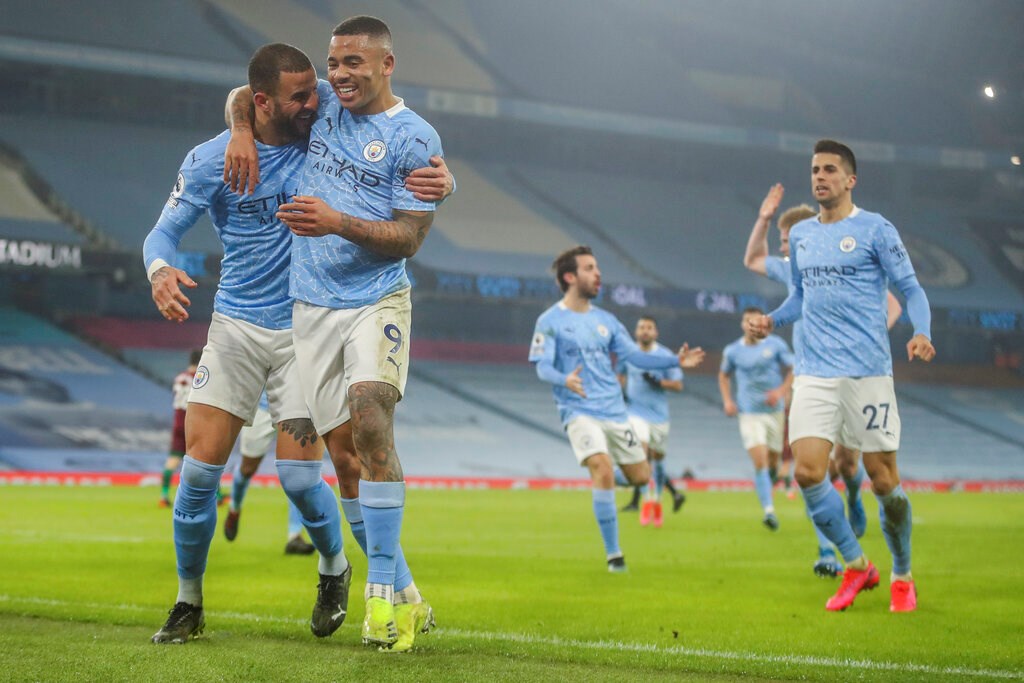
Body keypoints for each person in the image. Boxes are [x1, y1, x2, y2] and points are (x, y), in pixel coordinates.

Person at [146, 42, 449, 646]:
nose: (316, 102)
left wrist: (443, 177)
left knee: (304, 479)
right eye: (301, 96)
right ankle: (188, 601)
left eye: (316, 89)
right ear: (264, 103)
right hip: (235, 325)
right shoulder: (210, 160)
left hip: (303, 326)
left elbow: (392, 144)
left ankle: (336, 569)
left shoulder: (320, 138)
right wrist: (159, 270)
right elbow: (163, 232)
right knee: (199, 475)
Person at [751, 139, 935, 613]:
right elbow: (799, 297)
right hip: (814, 373)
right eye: (815, 169)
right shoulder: (803, 235)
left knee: (884, 482)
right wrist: (772, 320)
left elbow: (911, 288)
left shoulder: (875, 229)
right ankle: (856, 565)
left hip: (867, 374)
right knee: (808, 472)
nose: (820, 177)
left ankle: (901, 573)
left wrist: (922, 331)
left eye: (830, 170)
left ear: (850, 179)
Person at [743, 184, 904, 575]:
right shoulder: (791, 266)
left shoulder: (843, 261)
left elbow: (894, 304)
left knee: (847, 466)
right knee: (812, 470)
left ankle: (854, 497)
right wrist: (764, 218)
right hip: (810, 375)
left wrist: (869, 335)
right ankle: (828, 553)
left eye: (786, 239)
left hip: (853, 372)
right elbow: (753, 259)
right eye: (783, 241)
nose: (784, 247)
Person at [529, 246, 705, 572]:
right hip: (578, 409)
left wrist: (674, 361)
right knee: (602, 467)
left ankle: (611, 481)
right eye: (589, 268)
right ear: (570, 277)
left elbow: (634, 356)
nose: (598, 274)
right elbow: (542, 366)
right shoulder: (550, 321)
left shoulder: (606, 321)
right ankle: (615, 556)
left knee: (641, 476)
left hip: (614, 410)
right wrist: (564, 379)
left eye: (597, 268)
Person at [718, 307, 794, 531]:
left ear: (763, 324)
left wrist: (780, 392)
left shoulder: (776, 344)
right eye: (747, 321)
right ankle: (769, 511)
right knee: (760, 460)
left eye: (755, 321)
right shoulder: (733, 351)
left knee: (773, 462)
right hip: (749, 413)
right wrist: (727, 401)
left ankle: (769, 483)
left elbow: (794, 368)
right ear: (743, 324)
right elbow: (723, 375)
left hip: (774, 412)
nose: (751, 325)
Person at [224, 393, 316, 555]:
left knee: (296, 471)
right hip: (262, 407)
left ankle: (294, 536)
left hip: (295, 407)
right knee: (247, 469)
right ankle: (235, 507)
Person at [616, 316, 686, 526]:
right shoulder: (628, 354)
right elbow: (619, 376)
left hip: (659, 417)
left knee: (659, 461)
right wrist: (618, 393)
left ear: (655, 333)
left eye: (649, 327)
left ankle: (658, 500)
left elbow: (678, 385)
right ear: (636, 332)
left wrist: (658, 382)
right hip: (635, 413)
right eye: (641, 327)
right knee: (641, 454)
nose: (645, 331)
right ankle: (647, 501)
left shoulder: (665, 355)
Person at [159, 350, 227, 509]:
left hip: (178, 420)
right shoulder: (201, 376)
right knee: (207, 459)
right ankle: (217, 496)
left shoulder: (179, 377)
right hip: (194, 421)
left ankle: (163, 495)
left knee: (173, 459)